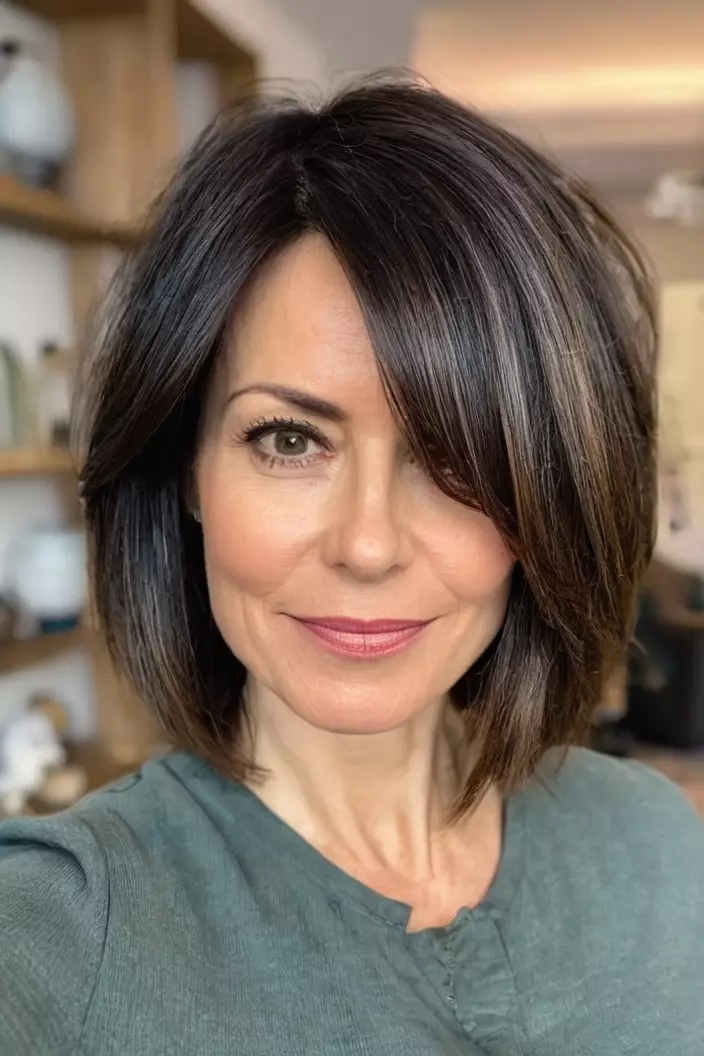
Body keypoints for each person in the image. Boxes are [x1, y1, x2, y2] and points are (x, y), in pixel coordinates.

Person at [1, 76, 702, 1056]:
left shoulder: (656, 846)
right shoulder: (53, 936)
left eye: (457, 455)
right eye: (288, 440)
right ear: (188, 471)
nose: (367, 545)